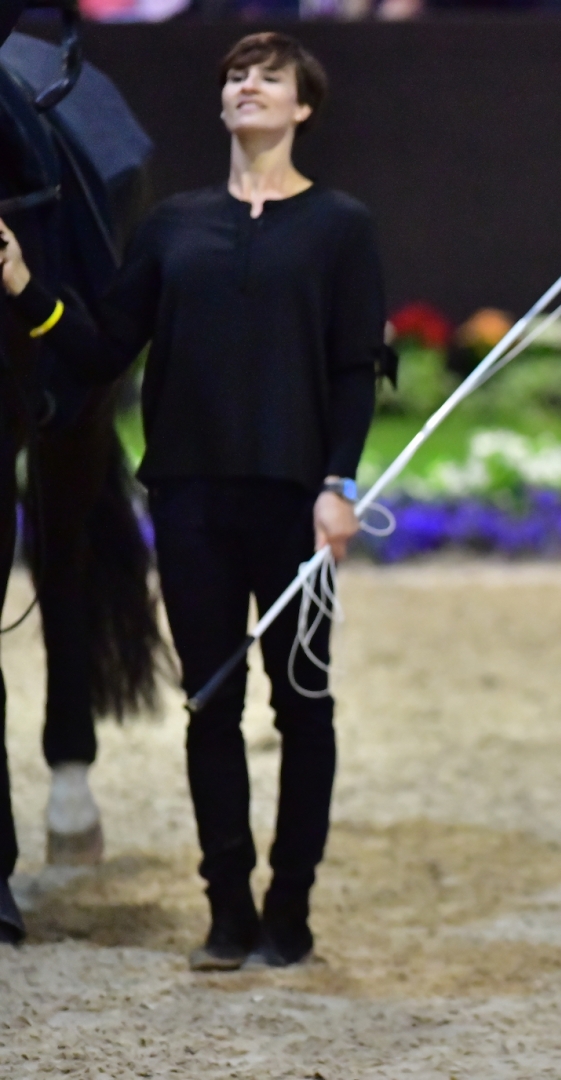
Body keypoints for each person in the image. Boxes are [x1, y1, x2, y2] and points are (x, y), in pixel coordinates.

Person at [0, 31, 388, 969]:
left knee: (303, 708)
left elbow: (352, 372)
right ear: (221, 105)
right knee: (210, 707)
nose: (248, 86)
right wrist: (24, 287)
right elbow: (102, 348)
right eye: (236, 76)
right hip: (189, 505)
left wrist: (338, 485)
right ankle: (227, 911)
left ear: (302, 107)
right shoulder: (172, 226)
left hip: (295, 506)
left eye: (270, 77)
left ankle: (289, 910)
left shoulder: (341, 228)